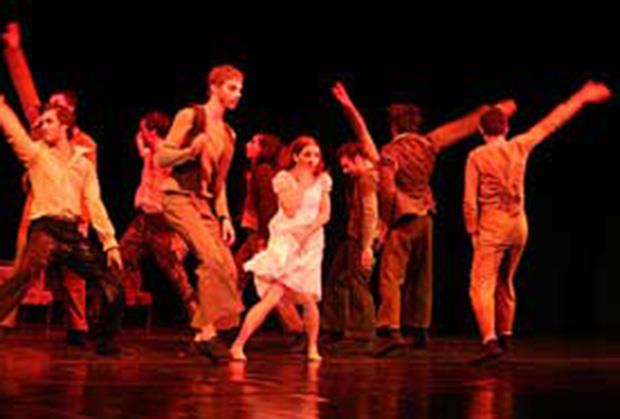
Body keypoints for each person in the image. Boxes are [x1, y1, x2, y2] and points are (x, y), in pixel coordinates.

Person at [464, 80, 611, 364]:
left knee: (480, 284)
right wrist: (581, 97)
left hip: (493, 226)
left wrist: (472, 232)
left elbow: (469, 201)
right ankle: (505, 336)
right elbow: (551, 123)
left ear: (481, 131)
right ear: (506, 128)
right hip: (518, 225)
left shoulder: (477, 156)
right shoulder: (520, 145)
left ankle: (490, 341)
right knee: (506, 280)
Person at [0, 97, 125, 355]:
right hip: (45, 229)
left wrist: (110, 242)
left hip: (71, 233)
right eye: (42, 122)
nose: (43, 127)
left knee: (113, 284)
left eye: (49, 122)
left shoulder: (83, 163)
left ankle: (105, 342)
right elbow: (15, 135)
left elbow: (95, 202)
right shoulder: (36, 155)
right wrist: (2, 111)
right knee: (22, 279)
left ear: (64, 126)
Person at [155, 64, 244, 361]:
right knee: (210, 259)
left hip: (204, 203)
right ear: (214, 87)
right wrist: (189, 152)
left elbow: (220, 182)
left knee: (228, 267)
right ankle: (207, 333)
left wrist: (225, 217)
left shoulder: (229, 134)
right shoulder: (191, 115)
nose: (237, 94)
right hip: (178, 195)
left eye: (240, 89)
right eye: (232, 88)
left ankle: (200, 336)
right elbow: (162, 156)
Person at [230, 136, 332, 362]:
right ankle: (238, 345)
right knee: (273, 296)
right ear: (296, 156)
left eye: (316, 155)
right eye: (307, 155)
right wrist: (302, 183)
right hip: (287, 241)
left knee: (309, 298)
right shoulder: (283, 178)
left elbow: (325, 213)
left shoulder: (322, 180)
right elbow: (290, 209)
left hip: (311, 242)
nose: (312, 160)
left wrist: (308, 232)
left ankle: (312, 348)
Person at [119, 112, 198, 322]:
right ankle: (129, 295)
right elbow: (144, 152)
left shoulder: (166, 156)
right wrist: (140, 140)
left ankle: (197, 314)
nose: (140, 133)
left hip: (162, 221)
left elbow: (183, 189)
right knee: (122, 254)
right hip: (143, 219)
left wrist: (179, 235)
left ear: (152, 132)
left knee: (175, 272)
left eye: (143, 130)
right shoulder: (151, 152)